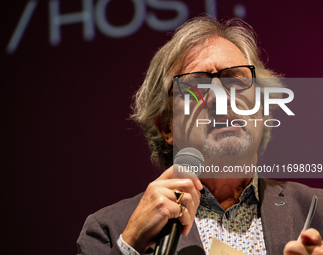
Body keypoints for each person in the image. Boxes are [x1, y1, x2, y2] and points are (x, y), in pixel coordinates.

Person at [76, 16, 323, 255]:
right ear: (167, 126)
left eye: (234, 80)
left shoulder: (317, 211)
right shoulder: (110, 229)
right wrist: (131, 246)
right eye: (195, 86)